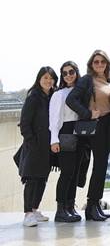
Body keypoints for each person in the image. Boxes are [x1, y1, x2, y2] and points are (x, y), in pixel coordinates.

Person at [66, 50, 110, 221]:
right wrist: (87, 113)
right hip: (96, 126)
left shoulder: (109, 81)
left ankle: (95, 205)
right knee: (99, 166)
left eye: (102, 61)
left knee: (102, 167)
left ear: (107, 64)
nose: (99, 64)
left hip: (107, 126)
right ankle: (91, 206)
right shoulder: (87, 80)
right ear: (91, 64)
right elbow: (71, 100)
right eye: (96, 62)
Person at [17, 66, 58, 227]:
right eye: (45, 77)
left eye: (51, 78)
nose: (48, 81)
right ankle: (28, 213)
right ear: (39, 79)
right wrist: (32, 143)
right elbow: (25, 123)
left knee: (42, 179)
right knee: (32, 179)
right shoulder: (33, 97)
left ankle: (35, 209)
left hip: (48, 146)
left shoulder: (52, 97)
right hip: (34, 146)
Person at [49, 61, 83, 222]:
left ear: (77, 72)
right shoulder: (59, 94)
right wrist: (54, 140)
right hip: (65, 133)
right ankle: (60, 210)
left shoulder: (82, 91)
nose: (68, 75)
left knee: (75, 174)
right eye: (65, 73)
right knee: (67, 173)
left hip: (81, 134)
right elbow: (54, 119)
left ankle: (70, 206)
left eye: (71, 72)